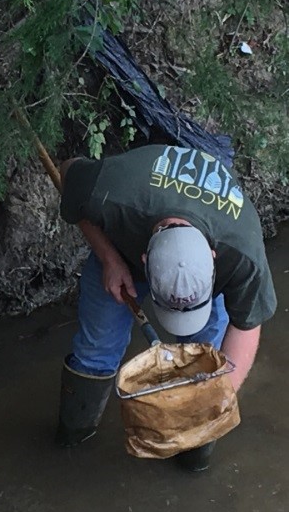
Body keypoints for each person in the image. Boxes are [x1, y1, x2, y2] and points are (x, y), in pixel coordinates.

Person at [55, 144, 276, 471]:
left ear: (214, 259)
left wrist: (217, 401)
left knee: (206, 369)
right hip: (121, 251)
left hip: (203, 248)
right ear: (145, 259)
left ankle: (193, 459)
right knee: (96, 350)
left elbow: (246, 325)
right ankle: (72, 440)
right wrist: (109, 257)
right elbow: (67, 170)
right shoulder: (111, 191)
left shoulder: (242, 251)